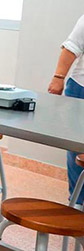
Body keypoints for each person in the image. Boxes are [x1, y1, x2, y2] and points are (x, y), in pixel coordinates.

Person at [48, 14, 84, 206]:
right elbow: (72, 47)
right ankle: (77, 201)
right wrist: (58, 77)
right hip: (81, 88)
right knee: (77, 147)